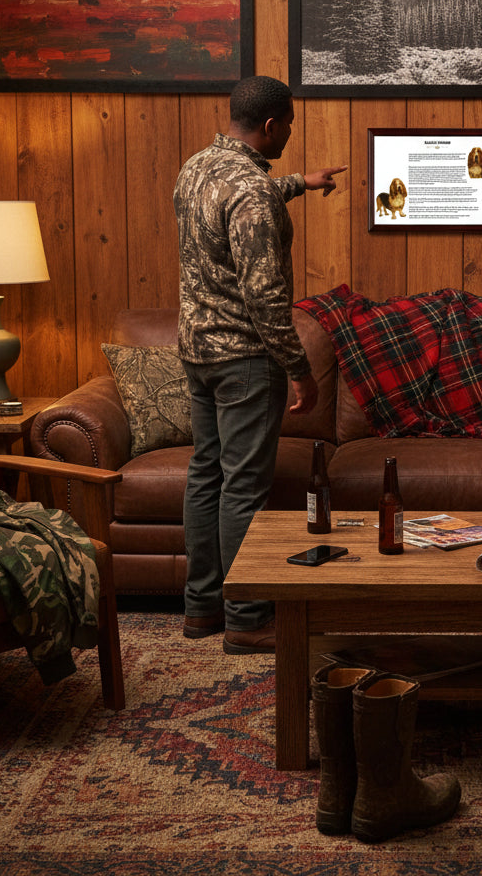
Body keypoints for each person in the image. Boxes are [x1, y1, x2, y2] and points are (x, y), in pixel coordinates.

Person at [174, 75, 346, 654]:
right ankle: (246, 618)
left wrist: (301, 182)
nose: (290, 134)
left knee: (207, 474)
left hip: (198, 353)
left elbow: (243, 201)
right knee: (244, 486)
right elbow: (267, 299)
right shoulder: (254, 192)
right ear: (271, 125)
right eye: (289, 125)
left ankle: (201, 609)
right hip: (246, 359)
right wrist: (299, 369)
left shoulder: (197, 167)